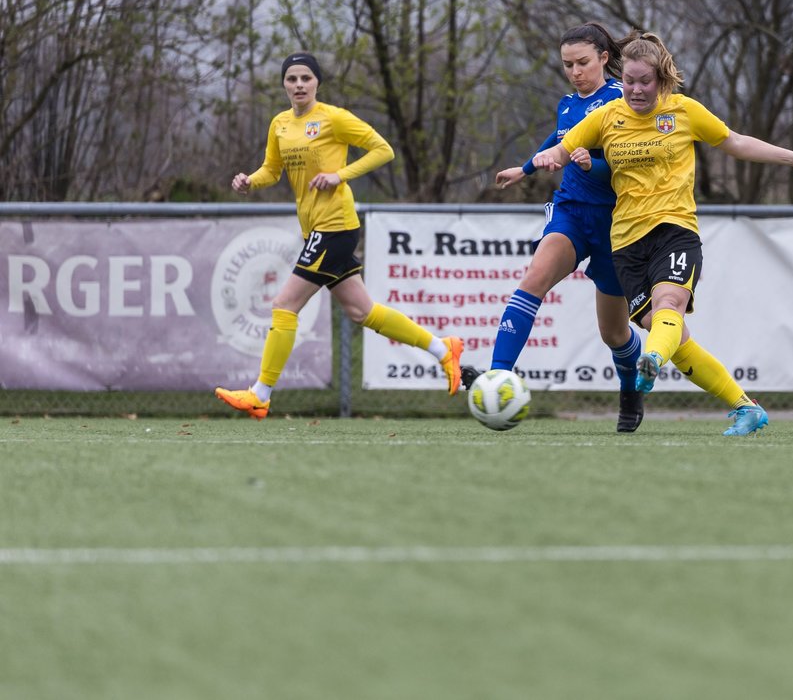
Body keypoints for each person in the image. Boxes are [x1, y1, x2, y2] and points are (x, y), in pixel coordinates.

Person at [531, 31, 793, 436]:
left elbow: (735, 142)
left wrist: (791, 156)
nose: (635, 89)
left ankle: (650, 361)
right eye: (629, 81)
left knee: (669, 302)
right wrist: (548, 156)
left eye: (644, 82)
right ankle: (745, 406)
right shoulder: (606, 116)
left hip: (674, 229)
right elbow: (565, 148)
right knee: (668, 330)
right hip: (627, 243)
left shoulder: (683, 112)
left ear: (662, 79)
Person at [215, 52, 463, 418]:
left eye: (306, 78)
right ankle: (444, 350)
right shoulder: (280, 124)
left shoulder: (333, 118)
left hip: (336, 225)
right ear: (284, 84)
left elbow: (384, 150)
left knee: (284, 305)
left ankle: (260, 394)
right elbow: (272, 169)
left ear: (317, 82)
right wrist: (250, 181)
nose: (299, 85)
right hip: (316, 228)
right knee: (361, 311)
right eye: (291, 79)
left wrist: (339, 175)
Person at [477, 22, 646, 433]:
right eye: (568, 64)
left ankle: (630, 389)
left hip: (615, 223)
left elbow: (635, 163)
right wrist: (527, 166)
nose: (574, 71)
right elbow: (561, 138)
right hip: (571, 210)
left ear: (605, 58)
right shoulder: (568, 103)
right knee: (533, 279)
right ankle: (497, 377)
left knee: (614, 333)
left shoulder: (624, 102)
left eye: (582, 63)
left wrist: (597, 164)